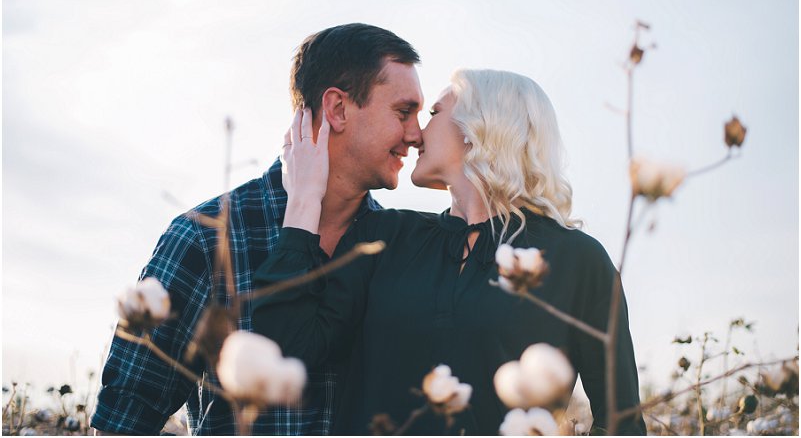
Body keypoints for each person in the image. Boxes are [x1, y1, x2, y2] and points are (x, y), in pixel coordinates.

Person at [253, 69, 647, 435]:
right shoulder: (385, 235)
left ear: (479, 130)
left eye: (435, 113)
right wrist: (304, 199)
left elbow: (622, 422)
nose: (415, 134)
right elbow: (292, 349)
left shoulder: (578, 260)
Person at [90, 23, 425, 435]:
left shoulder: (399, 247)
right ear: (337, 109)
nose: (416, 134)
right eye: (403, 112)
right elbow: (124, 421)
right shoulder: (206, 237)